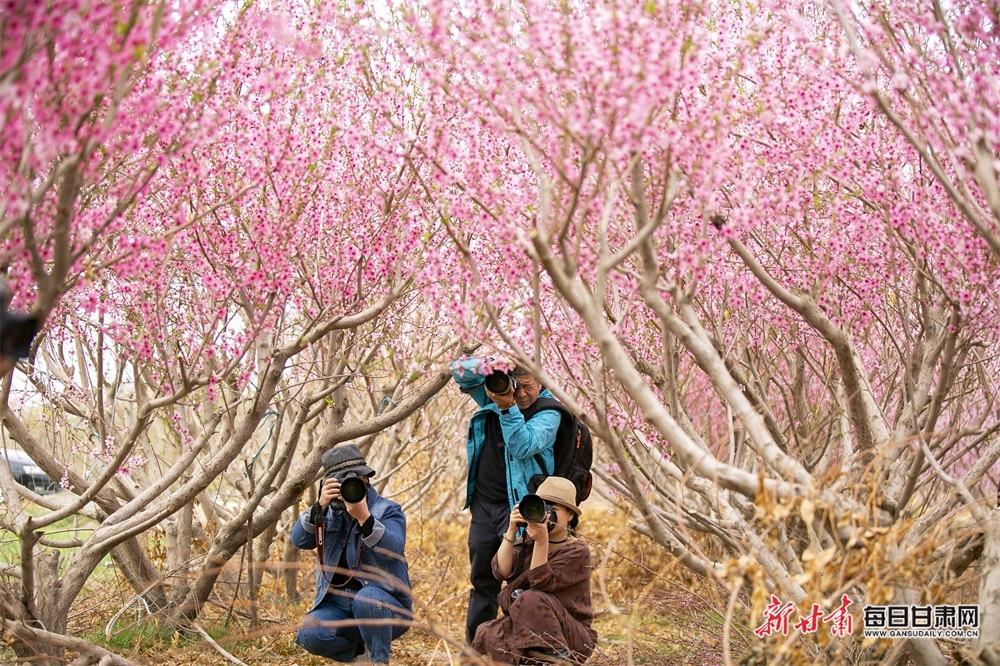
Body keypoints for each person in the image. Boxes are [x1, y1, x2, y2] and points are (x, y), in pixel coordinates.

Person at [451, 355, 562, 644]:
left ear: (541, 381)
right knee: (482, 582)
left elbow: (521, 444)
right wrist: (491, 364)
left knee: (520, 585)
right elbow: (459, 371)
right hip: (484, 508)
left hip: (523, 510)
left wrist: (506, 405)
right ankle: (477, 651)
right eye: (516, 386)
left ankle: (521, 650)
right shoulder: (496, 394)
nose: (521, 393)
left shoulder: (549, 413)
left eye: (528, 386)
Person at [291, 444, 412, 665]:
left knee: (366, 599)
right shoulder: (327, 512)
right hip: (337, 607)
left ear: (366, 478)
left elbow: (393, 551)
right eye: (342, 484)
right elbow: (299, 540)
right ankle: (359, 654)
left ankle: (379, 660)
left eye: (356, 480)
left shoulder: (388, 510)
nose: (351, 488)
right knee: (309, 634)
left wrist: (365, 519)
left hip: (384, 608)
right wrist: (319, 506)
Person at [473, 476, 597, 664]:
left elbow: (541, 584)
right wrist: (511, 531)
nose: (546, 516)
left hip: (572, 636)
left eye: (553, 510)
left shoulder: (577, 551)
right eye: (542, 508)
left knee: (531, 598)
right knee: (487, 632)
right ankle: (532, 661)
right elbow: (501, 571)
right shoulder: (527, 543)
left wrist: (541, 541)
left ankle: (555, 660)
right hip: (530, 625)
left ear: (570, 515)